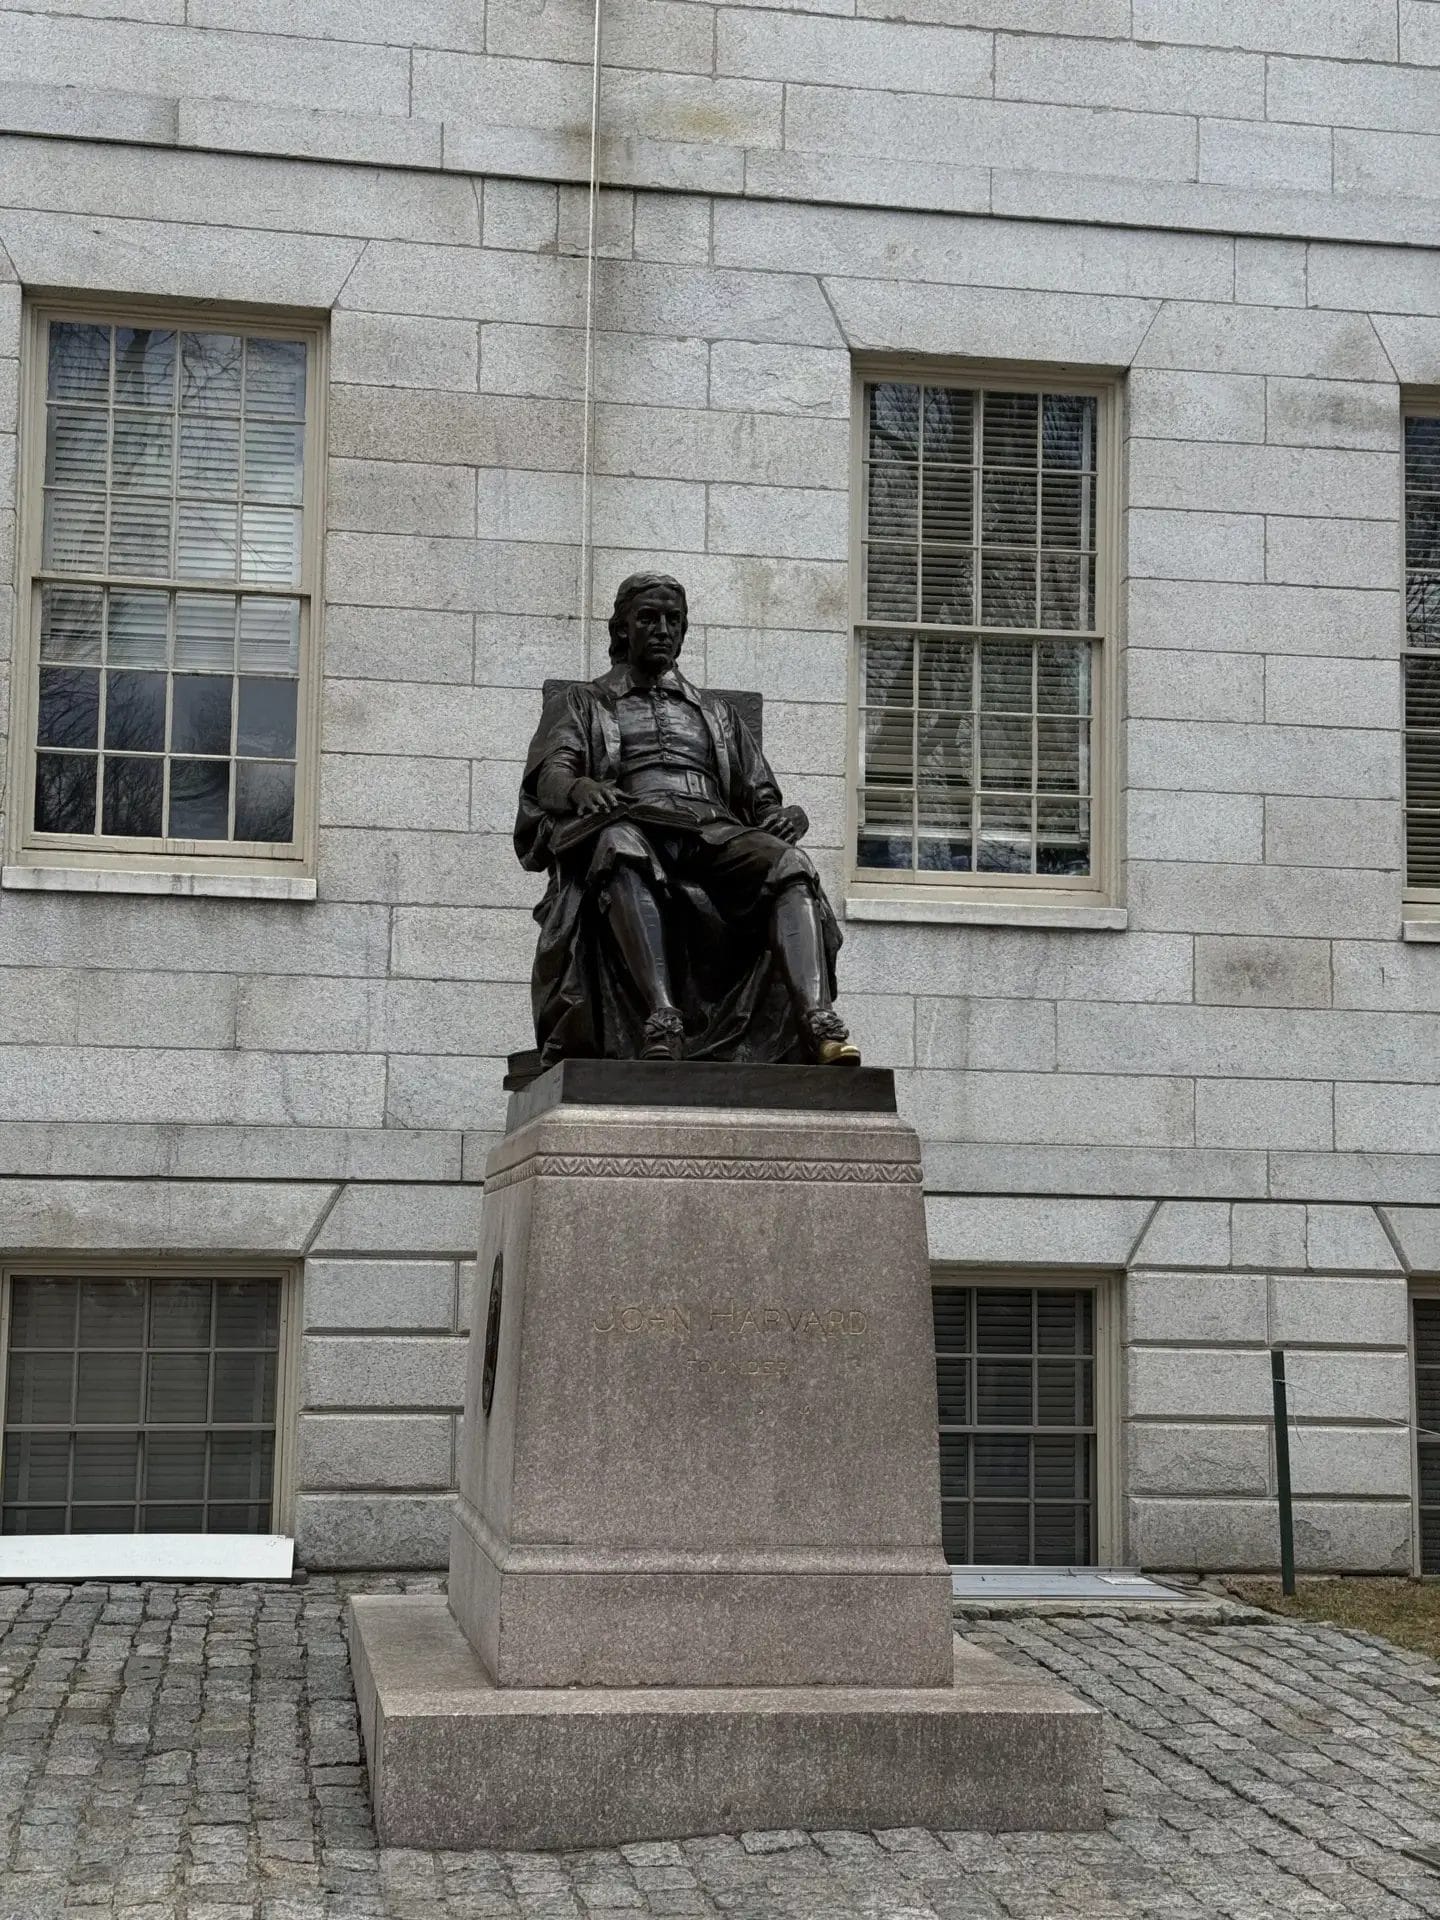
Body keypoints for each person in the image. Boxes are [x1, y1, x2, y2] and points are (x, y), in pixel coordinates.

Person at [515, 572, 861, 1068]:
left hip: (713, 831)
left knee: (791, 864)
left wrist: (783, 816)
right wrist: (578, 787)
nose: (661, 629)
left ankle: (817, 1021)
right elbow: (548, 774)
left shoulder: (716, 713)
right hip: (635, 821)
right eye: (648, 618)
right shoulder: (585, 702)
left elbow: (758, 796)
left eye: (672, 620)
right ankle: (662, 1017)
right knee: (618, 843)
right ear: (621, 629)